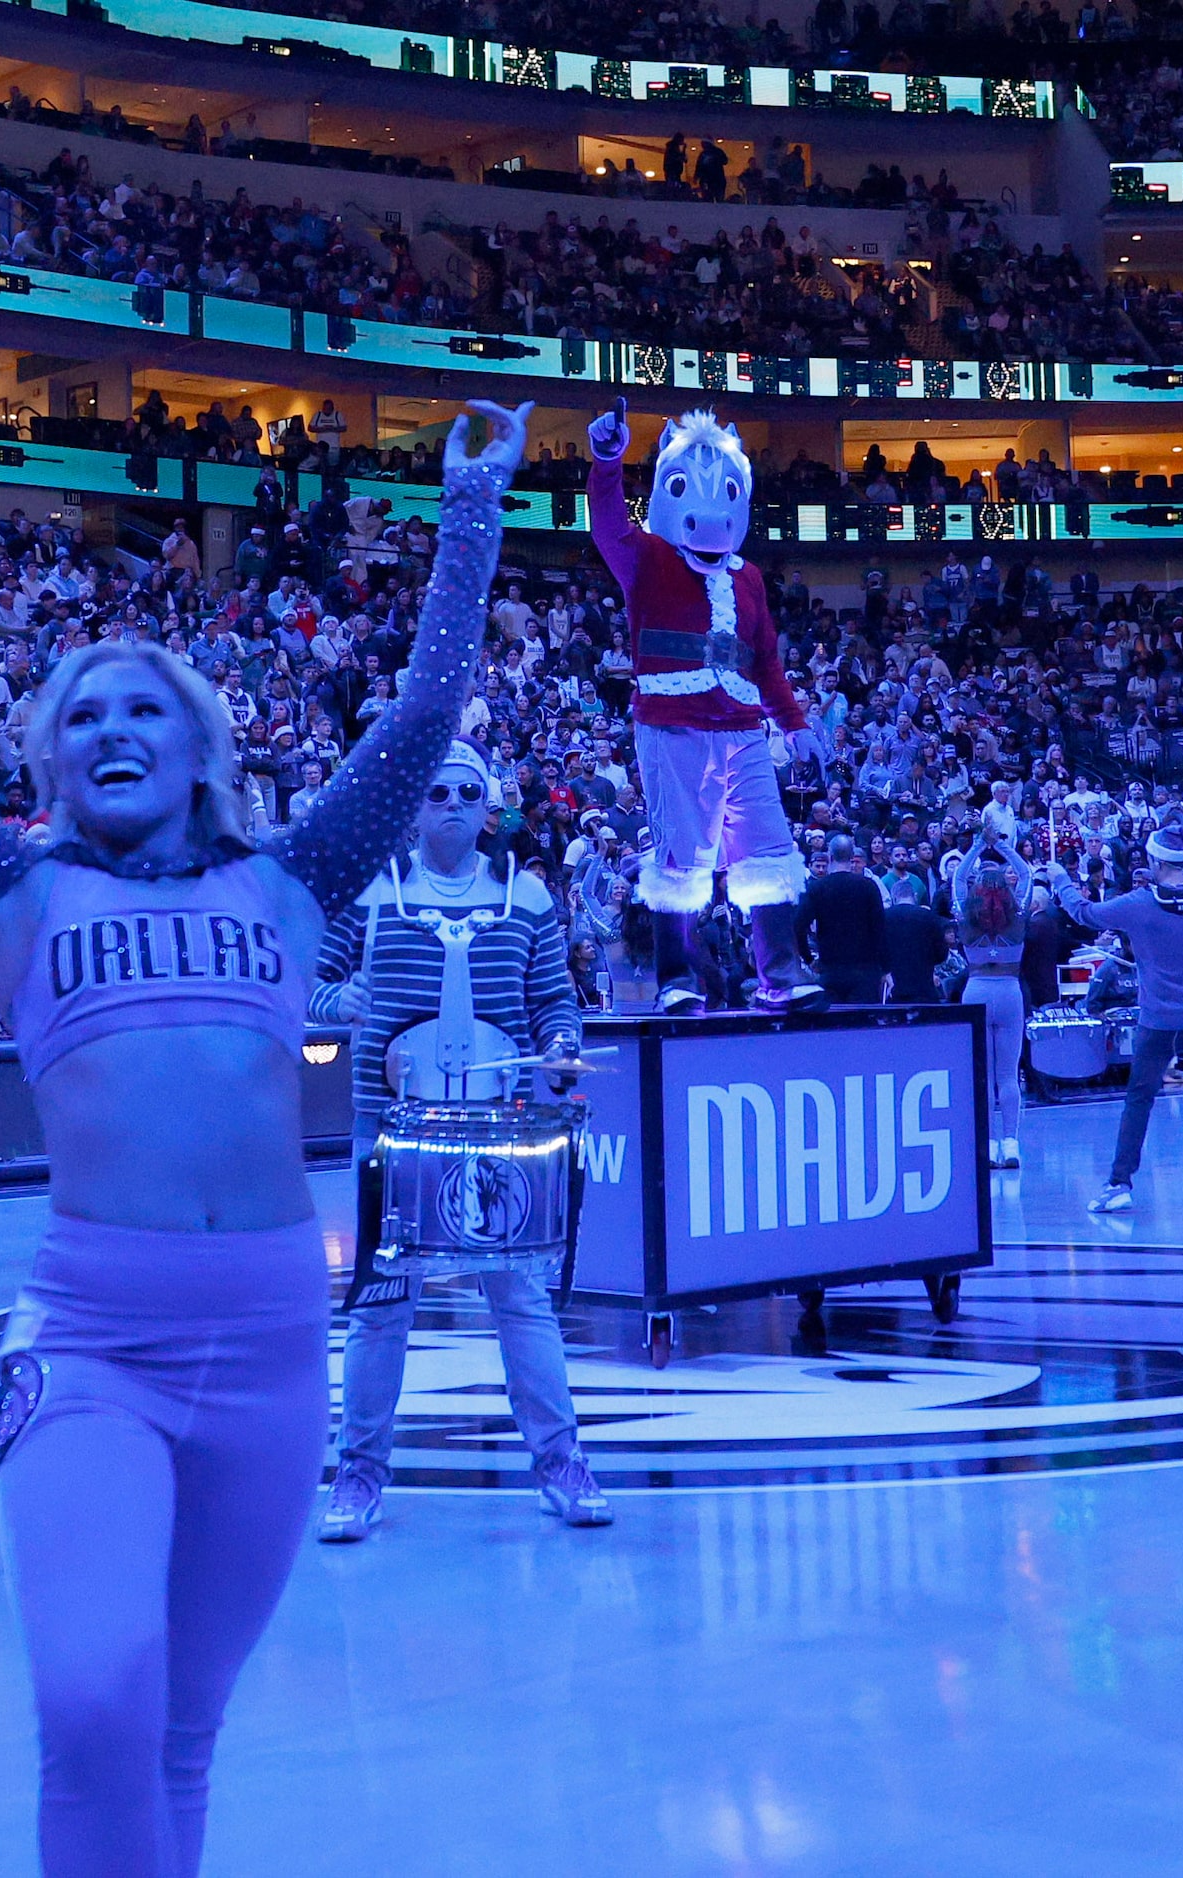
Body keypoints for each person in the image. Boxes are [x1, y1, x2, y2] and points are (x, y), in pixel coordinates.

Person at [0, 386, 526, 1876]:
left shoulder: (293, 885)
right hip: (92, 1342)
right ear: (52, 763)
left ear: (198, 750)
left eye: (145, 708)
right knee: (93, 1695)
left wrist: (468, 514)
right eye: (84, 716)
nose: (114, 726)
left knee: (183, 1727)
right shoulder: (10, 893)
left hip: (267, 1341)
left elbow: (425, 718)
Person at [310, 739, 610, 1543]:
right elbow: (313, 982)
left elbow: (555, 1002)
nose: (449, 805)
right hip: (391, 1129)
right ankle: (359, 1473)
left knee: (520, 1297)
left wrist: (559, 1050)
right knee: (381, 1306)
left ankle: (560, 1463)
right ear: (411, 803)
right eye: (434, 791)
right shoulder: (369, 892)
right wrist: (343, 1002)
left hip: (500, 1127)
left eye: (465, 792)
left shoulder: (531, 900)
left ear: (490, 806)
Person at [587, 400, 827, 1013]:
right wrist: (607, 462)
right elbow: (608, 525)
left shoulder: (748, 579)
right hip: (672, 727)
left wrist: (794, 726)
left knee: (769, 848)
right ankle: (678, 981)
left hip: (743, 729)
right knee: (681, 854)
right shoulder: (647, 559)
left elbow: (766, 659)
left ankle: (781, 976)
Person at [1051, 825, 1183, 1216]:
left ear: (1154, 861)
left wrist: (1061, 881)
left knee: (1139, 1100)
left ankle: (1120, 1184)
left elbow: (1085, 913)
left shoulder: (1140, 903)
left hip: (1159, 1019)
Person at [953, 827, 1034, 1168]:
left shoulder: (964, 915)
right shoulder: (1018, 917)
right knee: (1008, 1073)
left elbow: (958, 876)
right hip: (1009, 991)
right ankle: (1011, 1142)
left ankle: (986, 1144)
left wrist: (976, 846)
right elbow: (1027, 873)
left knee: (982, 1074)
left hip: (976, 990)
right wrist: (999, 845)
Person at [800, 835, 888, 1006]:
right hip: (865, 971)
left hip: (830, 970)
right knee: (864, 1027)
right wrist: (885, 968)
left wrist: (809, 959)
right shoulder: (868, 886)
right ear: (851, 857)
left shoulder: (817, 888)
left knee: (832, 1027)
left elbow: (798, 927)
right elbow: (880, 930)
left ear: (830, 856)